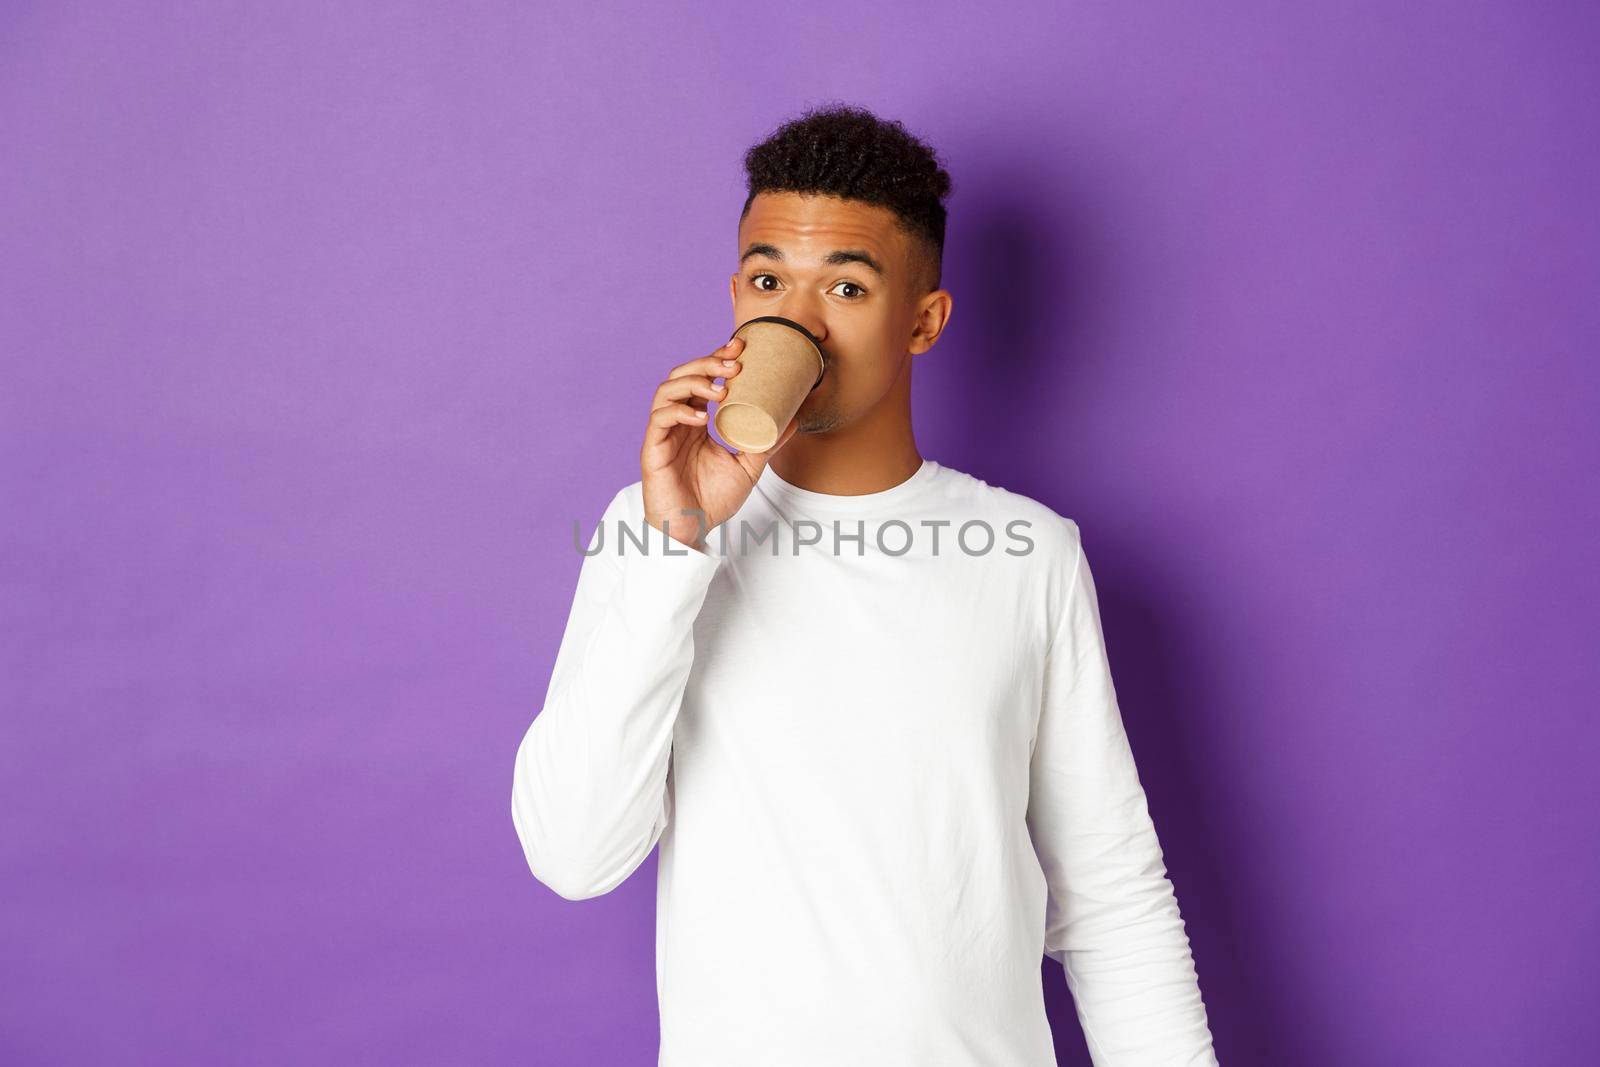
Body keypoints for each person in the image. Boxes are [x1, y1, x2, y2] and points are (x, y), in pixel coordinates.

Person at [511, 102, 1219, 1066]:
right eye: (770, 279)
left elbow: (1111, 897)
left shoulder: (1028, 554)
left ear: (922, 321)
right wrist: (679, 539)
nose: (797, 319)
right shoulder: (652, 531)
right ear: (734, 297)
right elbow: (575, 855)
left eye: (846, 286)